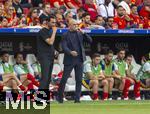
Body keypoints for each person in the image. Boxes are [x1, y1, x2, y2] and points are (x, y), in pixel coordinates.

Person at [57, 19, 92, 103]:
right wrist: (70, 52)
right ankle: (60, 97)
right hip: (69, 59)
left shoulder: (80, 33)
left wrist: (84, 32)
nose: (76, 26)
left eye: (77, 24)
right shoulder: (65, 34)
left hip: (79, 59)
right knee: (64, 79)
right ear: (70, 25)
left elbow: (90, 41)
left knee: (79, 79)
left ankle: (77, 99)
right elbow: (64, 46)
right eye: (74, 25)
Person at [37, 15, 57, 89]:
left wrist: (54, 50)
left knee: (48, 78)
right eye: (52, 22)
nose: (54, 24)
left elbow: (49, 46)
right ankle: (39, 98)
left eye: (55, 22)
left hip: (50, 56)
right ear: (47, 22)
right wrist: (54, 32)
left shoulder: (50, 31)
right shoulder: (43, 31)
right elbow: (50, 42)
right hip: (44, 57)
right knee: (44, 78)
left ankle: (44, 98)